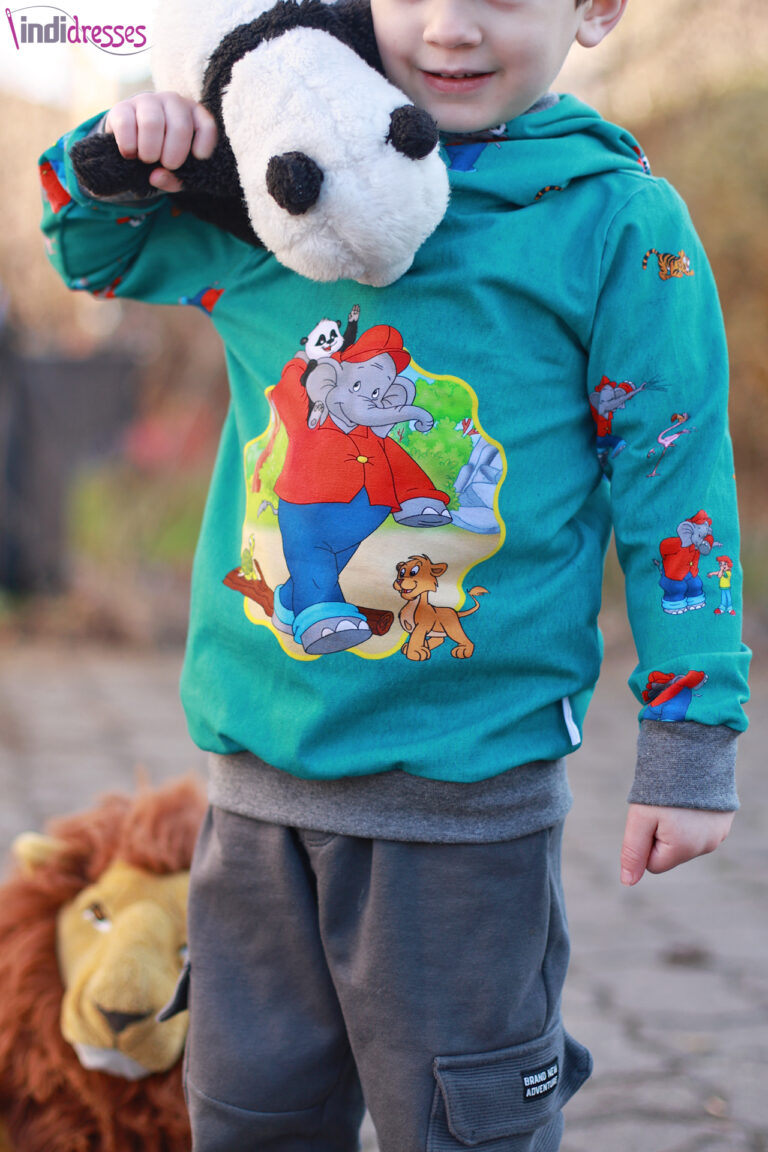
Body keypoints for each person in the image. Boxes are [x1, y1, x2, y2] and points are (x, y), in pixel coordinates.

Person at [39, 0, 751, 1148]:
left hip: (467, 810)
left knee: (461, 1126)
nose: (450, 27)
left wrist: (691, 738)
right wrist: (125, 149)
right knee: (248, 1118)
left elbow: (677, 483)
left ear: (597, 7)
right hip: (256, 791)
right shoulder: (274, 175)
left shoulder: (613, 221)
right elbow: (95, 251)